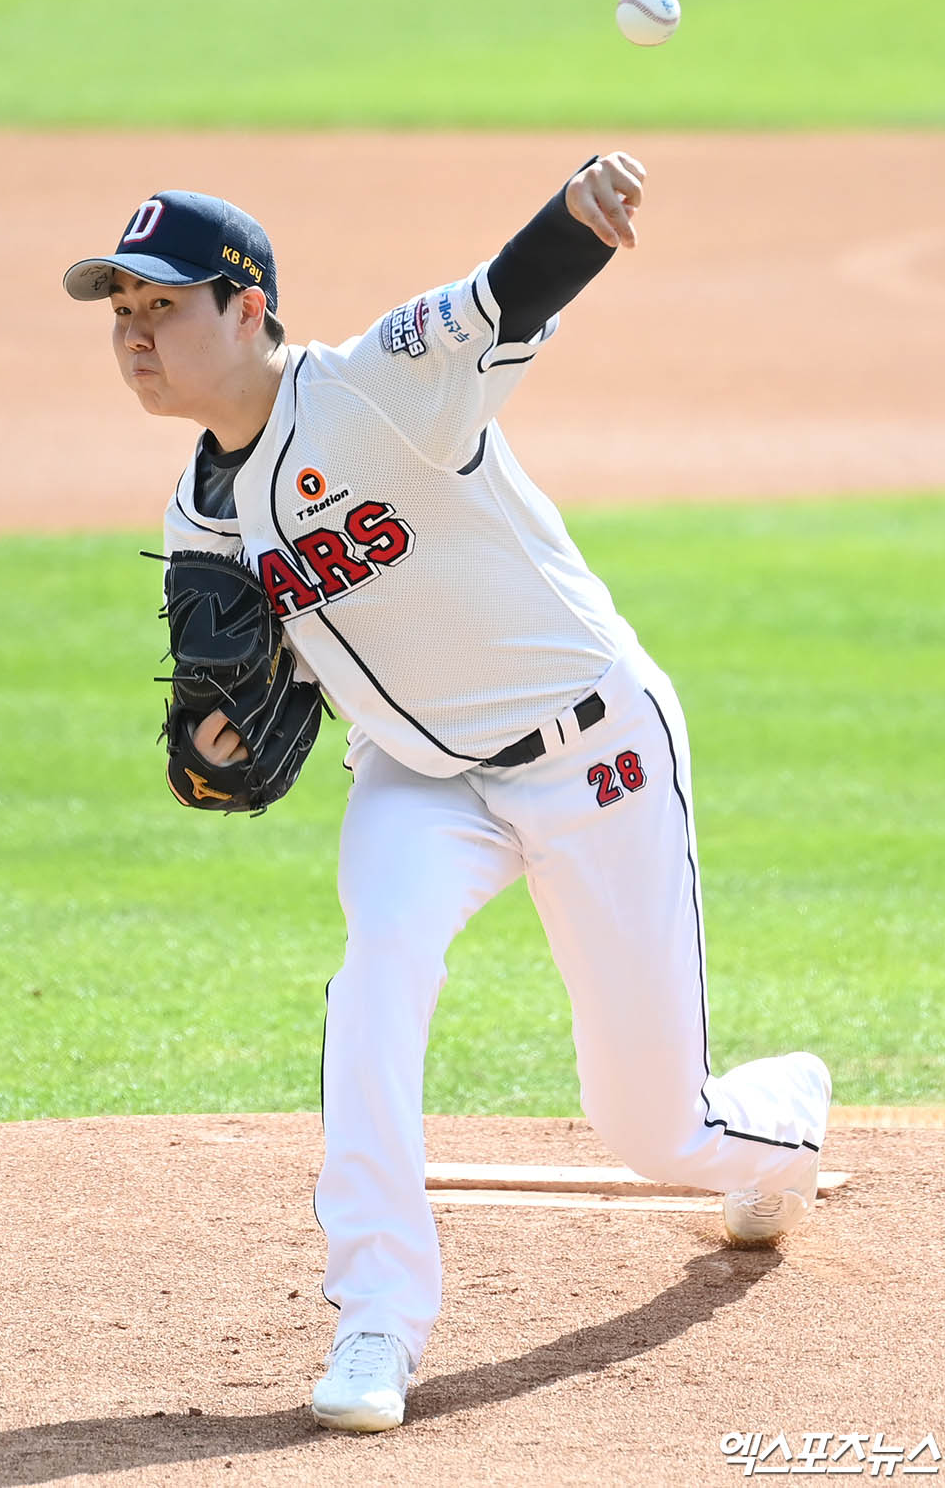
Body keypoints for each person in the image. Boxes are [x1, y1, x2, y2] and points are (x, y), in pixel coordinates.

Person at [62, 155, 832, 1434]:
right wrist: (212, 730)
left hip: (596, 755)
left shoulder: (376, 383)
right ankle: (379, 1317)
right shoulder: (201, 506)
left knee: (653, 1129)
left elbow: (501, 301)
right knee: (378, 975)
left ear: (248, 308)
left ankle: (782, 1126)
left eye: (164, 307)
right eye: (122, 314)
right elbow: (223, 704)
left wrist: (577, 218)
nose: (136, 337)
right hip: (422, 784)